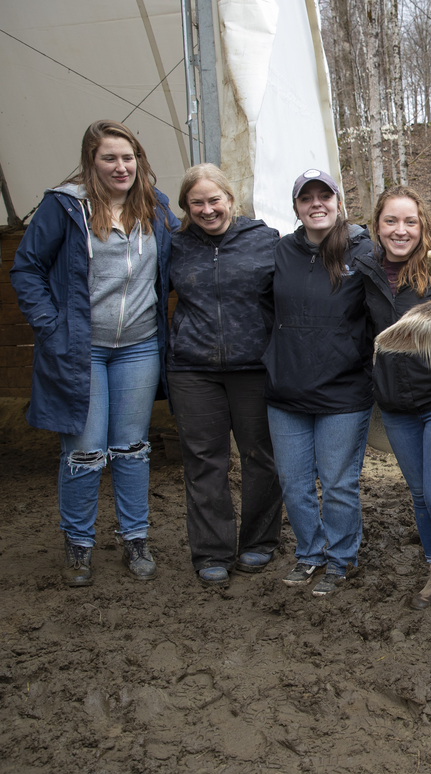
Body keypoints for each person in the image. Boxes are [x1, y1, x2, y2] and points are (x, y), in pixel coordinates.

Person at [11, 119, 177, 586]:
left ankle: (135, 539)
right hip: (81, 349)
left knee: (132, 448)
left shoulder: (156, 208)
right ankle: (79, 544)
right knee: (85, 452)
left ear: (139, 160)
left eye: (129, 157)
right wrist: (52, 327)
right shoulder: (65, 207)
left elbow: (194, 246)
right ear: (92, 162)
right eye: (110, 158)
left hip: (139, 347)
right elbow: (27, 269)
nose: (121, 166)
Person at [169, 164, 283, 587]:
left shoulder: (264, 240)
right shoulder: (176, 246)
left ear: (231, 200)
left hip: (254, 367)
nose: (207, 209)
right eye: (196, 202)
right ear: (186, 207)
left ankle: (259, 541)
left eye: (214, 200)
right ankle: (211, 551)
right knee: (203, 462)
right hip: (192, 370)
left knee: (260, 457)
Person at [261, 170, 374, 595]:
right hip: (286, 389)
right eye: (305, 198)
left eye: (324, 195)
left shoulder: (363, 252)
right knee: (294, 481)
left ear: (338, 202)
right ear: (296, 208)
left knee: (338, 482)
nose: (316, 204)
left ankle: (341, 559)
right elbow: (261, 308)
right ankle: (310, 553)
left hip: (343, 392)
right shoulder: (280, 253)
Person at [361, 186, 431, 614]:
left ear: (422, 224)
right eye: (391, 221)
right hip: (395, 405)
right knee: (419, 494)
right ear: (377, 227)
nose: (400, 230)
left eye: (410, 221)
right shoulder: (365, 271)